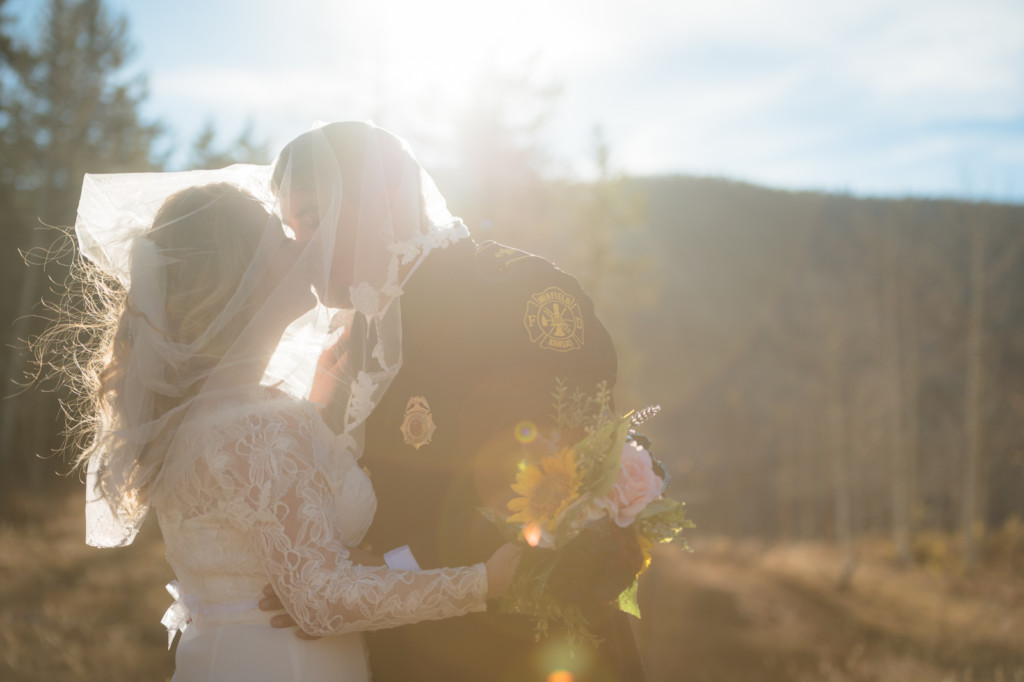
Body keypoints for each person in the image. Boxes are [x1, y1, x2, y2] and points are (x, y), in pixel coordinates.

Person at [61, 167, 521, 682]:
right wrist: (485, 582)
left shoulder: (208, 410)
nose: (304, 246)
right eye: (280, 239)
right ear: (244, 273)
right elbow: (321, 600)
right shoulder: (255, 424)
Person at [263, 122, 646, 681]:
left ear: (383, 202)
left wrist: (383, 571)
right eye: (291, 225)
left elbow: (559, 484)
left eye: (315, 218)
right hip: (396, 654)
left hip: (523, 651)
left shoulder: (519, 294)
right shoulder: (348, 340)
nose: (300, 246)